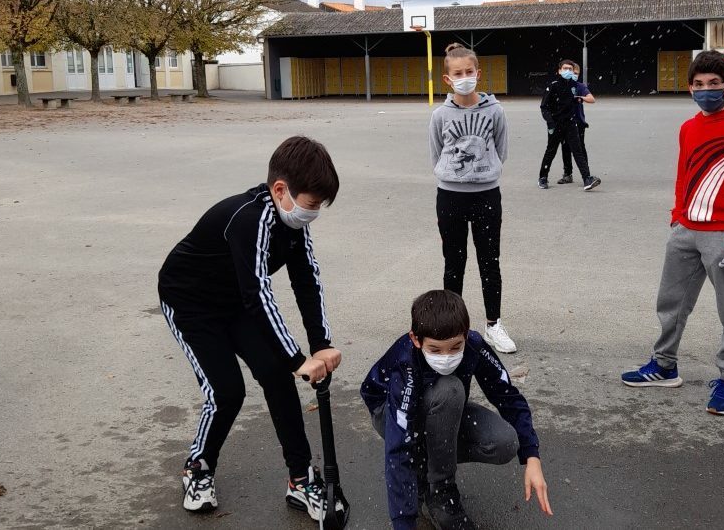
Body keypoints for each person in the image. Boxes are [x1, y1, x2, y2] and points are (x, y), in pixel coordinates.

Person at [157, 136, 342, 521]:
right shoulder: (248, 219)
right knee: (226, 391)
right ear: (281, 190)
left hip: (235, 301)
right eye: (310, 205)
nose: (314, 214)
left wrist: (320, 344)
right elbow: (259, 295)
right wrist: (297, 358)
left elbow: (306, 280)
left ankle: (299, 478)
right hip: (191, 303)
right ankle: (198, 467)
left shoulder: (291, 224)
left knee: (276, 376)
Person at [620, 50, 724, 416]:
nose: (706, 91)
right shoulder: (688, 128)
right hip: (685, 231)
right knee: (670, 302)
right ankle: (664, 365)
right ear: (690, 88)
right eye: (699, 85)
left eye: (714, 84)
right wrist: (677, 217)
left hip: (723, 235)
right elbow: (684, 176)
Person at [361, 290, 553, 530]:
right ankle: (441, 492)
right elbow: (398, 447)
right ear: (416, 339)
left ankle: (435, 485)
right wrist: (403, 522)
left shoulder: (474, 345)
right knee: (449, 390)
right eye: (435, 350)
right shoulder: (405, 363)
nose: (446, 357)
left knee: (505, 442)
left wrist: (531, 456)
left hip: (443, 410)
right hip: (389, 414)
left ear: (466, 334)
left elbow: (507, 396)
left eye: (455, 348)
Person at [430, 43, 515, 353]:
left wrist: (484, 172)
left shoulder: (495, 111)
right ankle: (454, 328)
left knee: (489, 262)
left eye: (469, 72)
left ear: (478, 73)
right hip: (450, 197)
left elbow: (501, 150)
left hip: (486, 196)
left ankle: (494, 324)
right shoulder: (440, 115)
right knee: (454, 263)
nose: (464, 77)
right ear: (447, 79)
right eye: (457, 73)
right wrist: (455, 174)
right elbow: (436, 153)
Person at [538, 59, 600, 190]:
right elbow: (544, 107)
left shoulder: (574, 86)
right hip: (555, 124)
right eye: (565, 69)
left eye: (570, 69)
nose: (568, 71)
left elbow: (580, 99)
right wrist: (550, 122)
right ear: (559, 71)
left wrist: (578, 100)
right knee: (551, 151)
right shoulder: (553, 85)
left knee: (577, 151)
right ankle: (543, 178)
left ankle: (587, 178)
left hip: (571, 124)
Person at [556, 61, 596, 184]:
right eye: (572, 72)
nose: (573, 75)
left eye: (576, 73)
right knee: (565, 148)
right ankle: (567, 174)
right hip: (564, 122)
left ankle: (586, 174)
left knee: (580, 149)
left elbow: (592, 99)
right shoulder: (560, 86)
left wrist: (581, 98)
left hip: (578, 122)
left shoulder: (580, 86)